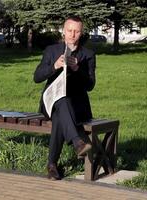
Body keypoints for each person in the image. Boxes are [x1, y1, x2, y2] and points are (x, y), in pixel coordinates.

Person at [33, 16, 96, 180]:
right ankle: (77, 142)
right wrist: (54, 66)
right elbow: (37, 77)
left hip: (77, 106)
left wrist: (77, 69)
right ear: (63, 31)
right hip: (51, 101)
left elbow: (90, 85)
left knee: (61, 112)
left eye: (76, 31)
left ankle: (52, 165)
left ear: (81, 33)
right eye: (69, 30)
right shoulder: (52, 50)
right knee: (60, 101)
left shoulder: (87, 54)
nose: (72, 34)